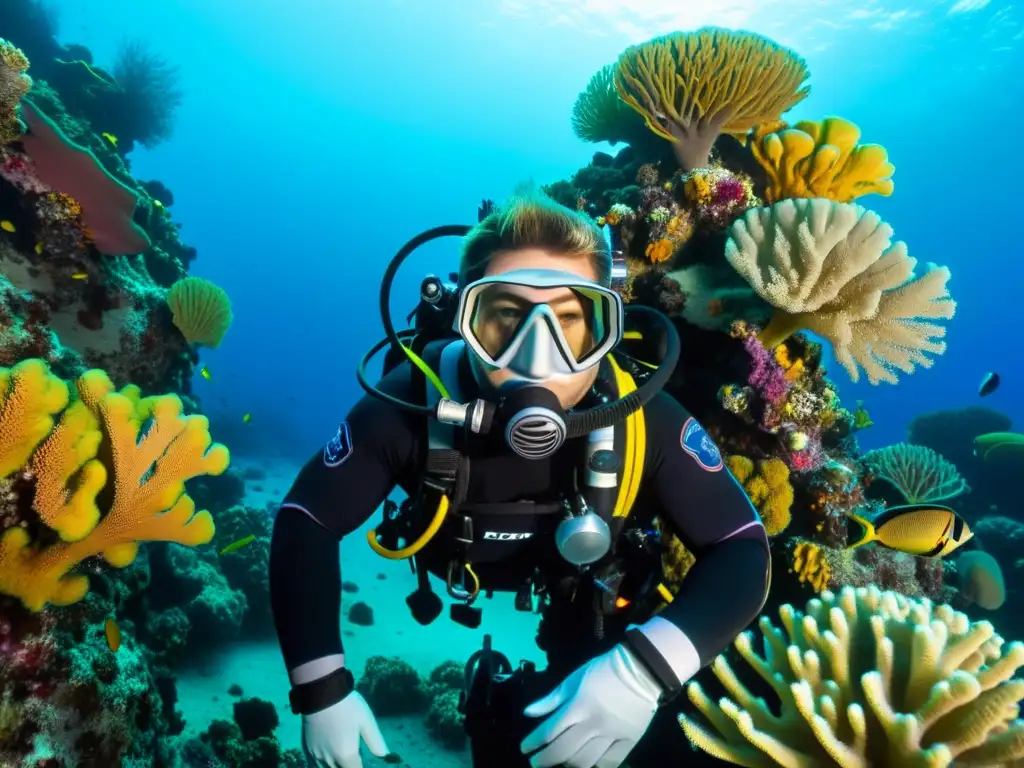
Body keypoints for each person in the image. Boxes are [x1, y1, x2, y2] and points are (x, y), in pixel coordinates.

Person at [270, 186, 771, 768]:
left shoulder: (641, 420)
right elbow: (306, 519)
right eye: (506, 317)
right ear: (465, 322)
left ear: (605, 330)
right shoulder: (410, 409)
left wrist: (642, 671)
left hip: (586, 596)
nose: (539, 355)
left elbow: (740, 548)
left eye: (568, 320)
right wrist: (320, 686)